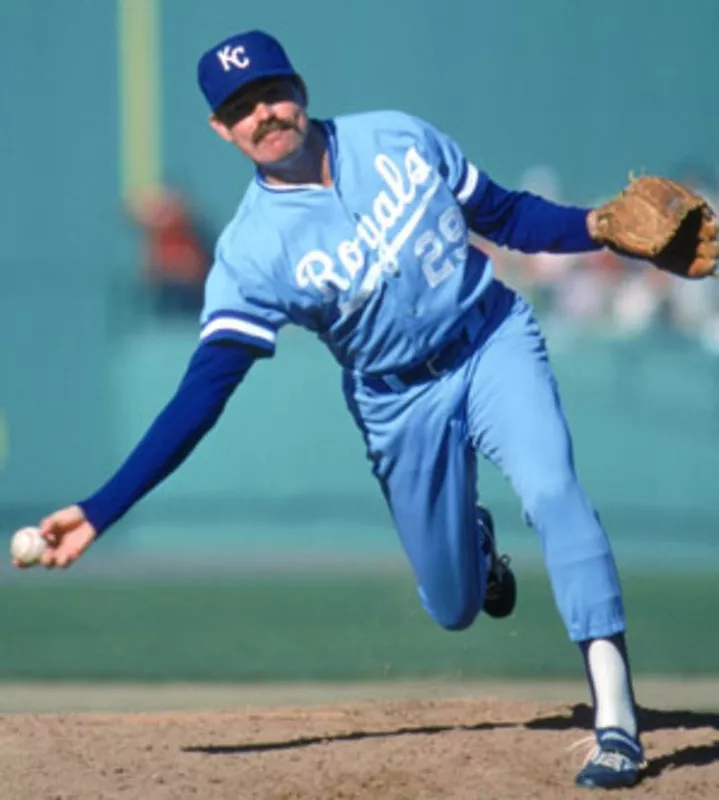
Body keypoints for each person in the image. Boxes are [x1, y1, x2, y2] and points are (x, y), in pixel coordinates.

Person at [21, 30, 646, 789]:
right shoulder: (252, 252)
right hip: (396, 402)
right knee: (451, 607)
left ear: (301, 87)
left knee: (553, 493)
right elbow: (204, 392)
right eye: (241, 108)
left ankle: (615, 722)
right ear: (222, 130)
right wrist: (102, 507)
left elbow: (506, 216)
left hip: (490, 340)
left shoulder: (395, 136)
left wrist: (596, 227)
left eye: (271, 92)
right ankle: (472, 551)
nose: (264, 114)